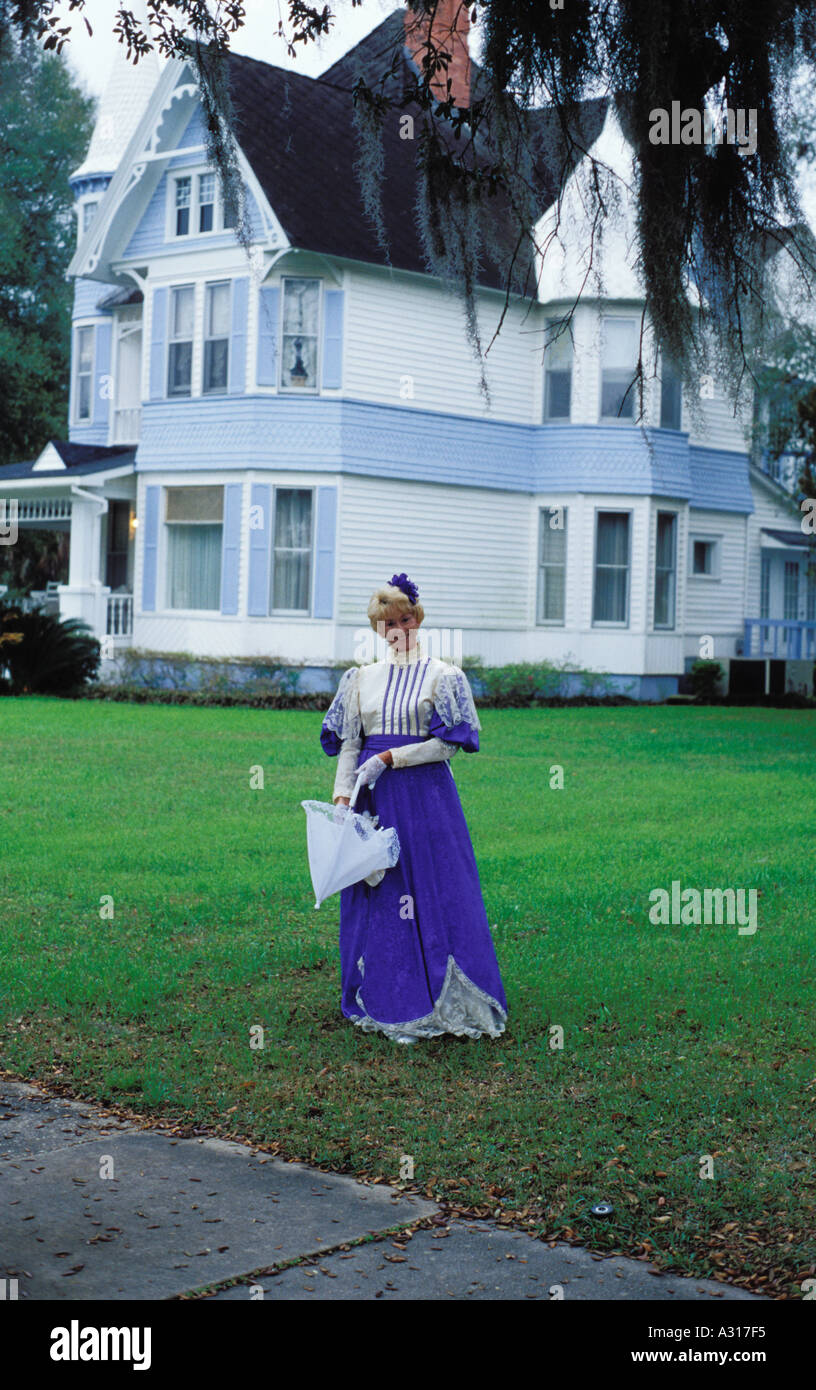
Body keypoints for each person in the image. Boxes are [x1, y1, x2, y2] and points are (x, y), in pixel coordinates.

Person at [319, 573, 508, 1043]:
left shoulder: (444, 676)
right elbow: (349, 746)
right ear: (378, 629)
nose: (398, 629)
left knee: (435, 888)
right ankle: (386, 991)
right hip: (372, 797)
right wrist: (342, 798)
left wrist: (391, 757)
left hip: (425, 800)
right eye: (388, 624)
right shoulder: (360, 679)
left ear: (418, 619)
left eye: (405, 619)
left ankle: (441, 994)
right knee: (380, 890)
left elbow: (448, 745)